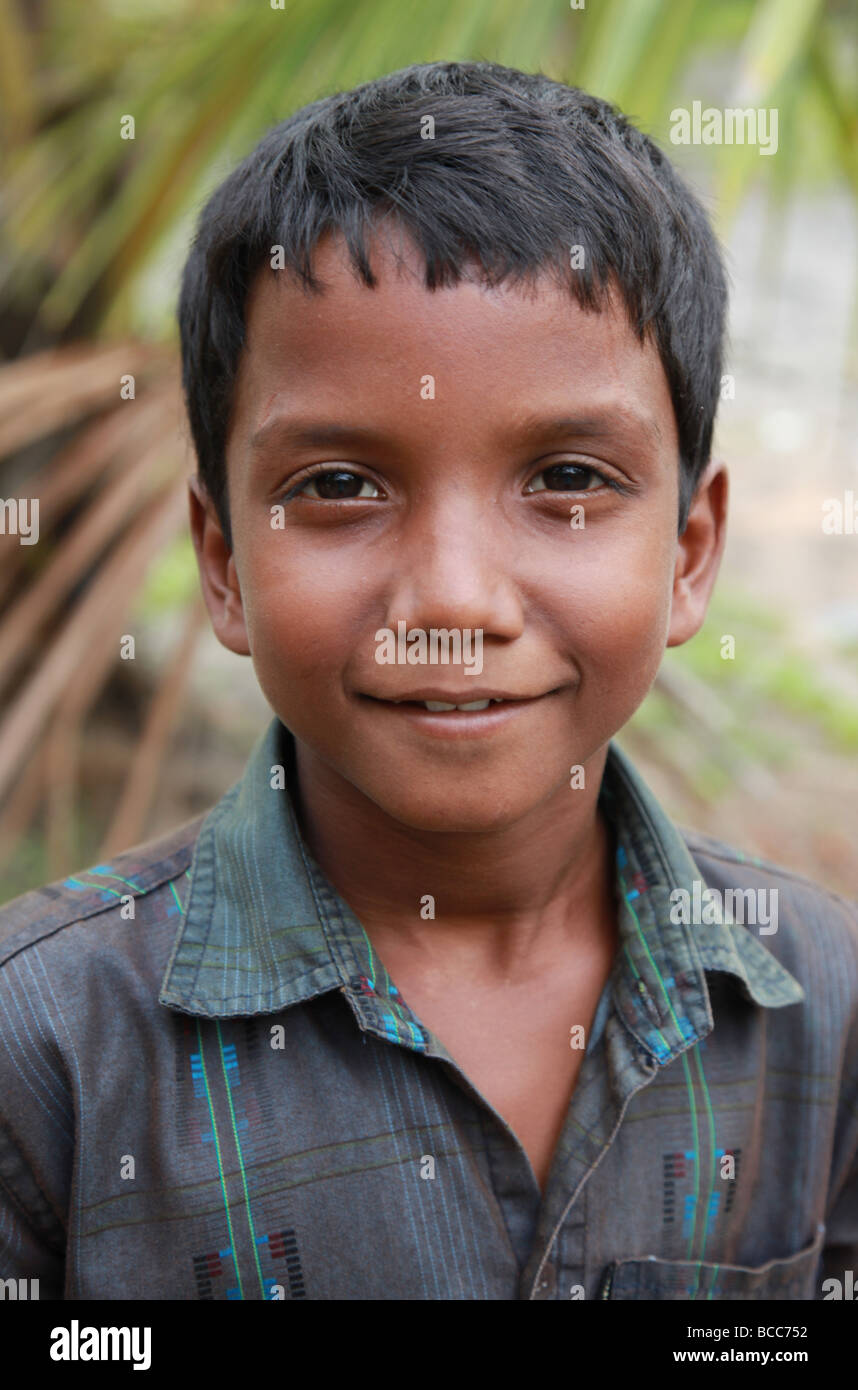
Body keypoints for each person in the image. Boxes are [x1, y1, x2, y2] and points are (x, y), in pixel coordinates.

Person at [1, 61, 856, 1301]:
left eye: (569, 478)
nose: (453, 599)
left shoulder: (817, 999)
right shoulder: (45, 1048)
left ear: (688, 552)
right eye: (340, 485)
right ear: (224, 560)